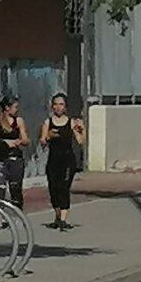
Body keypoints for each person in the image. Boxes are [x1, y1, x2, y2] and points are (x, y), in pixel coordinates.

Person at [40, 93, 85, 230]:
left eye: (61, 104)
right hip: (53, 160)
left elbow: (80, 141)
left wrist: (81, 129)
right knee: (54, 188)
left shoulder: (71, 122)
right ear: (52, 106)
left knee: (64, 188)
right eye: (56, 104)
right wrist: (48, 136)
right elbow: (42, 141)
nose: (58, 107)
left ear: (65, 107)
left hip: (67, 160)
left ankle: (63, 219)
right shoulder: (48, 122)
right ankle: (58, 217)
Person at [0, 94, 30, 218]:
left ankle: (18, 215)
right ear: (7, 108)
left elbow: (25, 140)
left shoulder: (18, 121)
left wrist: (16, 142)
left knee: (15, 188)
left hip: (14, 158)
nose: (16, 109)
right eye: (15, 107)